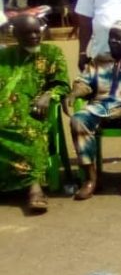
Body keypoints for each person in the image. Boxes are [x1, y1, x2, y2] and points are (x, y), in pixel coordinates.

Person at [65, 19, 121, 200]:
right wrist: (74, 94)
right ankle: (91, 178)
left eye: (118, 39)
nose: (113, 41)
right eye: (111, 38)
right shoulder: (99, 60)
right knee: (78, 120)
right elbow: (84, 82)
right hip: (100, 107)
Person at [0, 15, 70, 213]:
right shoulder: (5, 55)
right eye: (27, 33)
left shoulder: (52, 53)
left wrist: (48, 95)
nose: (33, 36)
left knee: (28, 132)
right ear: (15, 35)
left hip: (31, 110)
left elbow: (62, 83)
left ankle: (34, 187)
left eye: (36, 32)